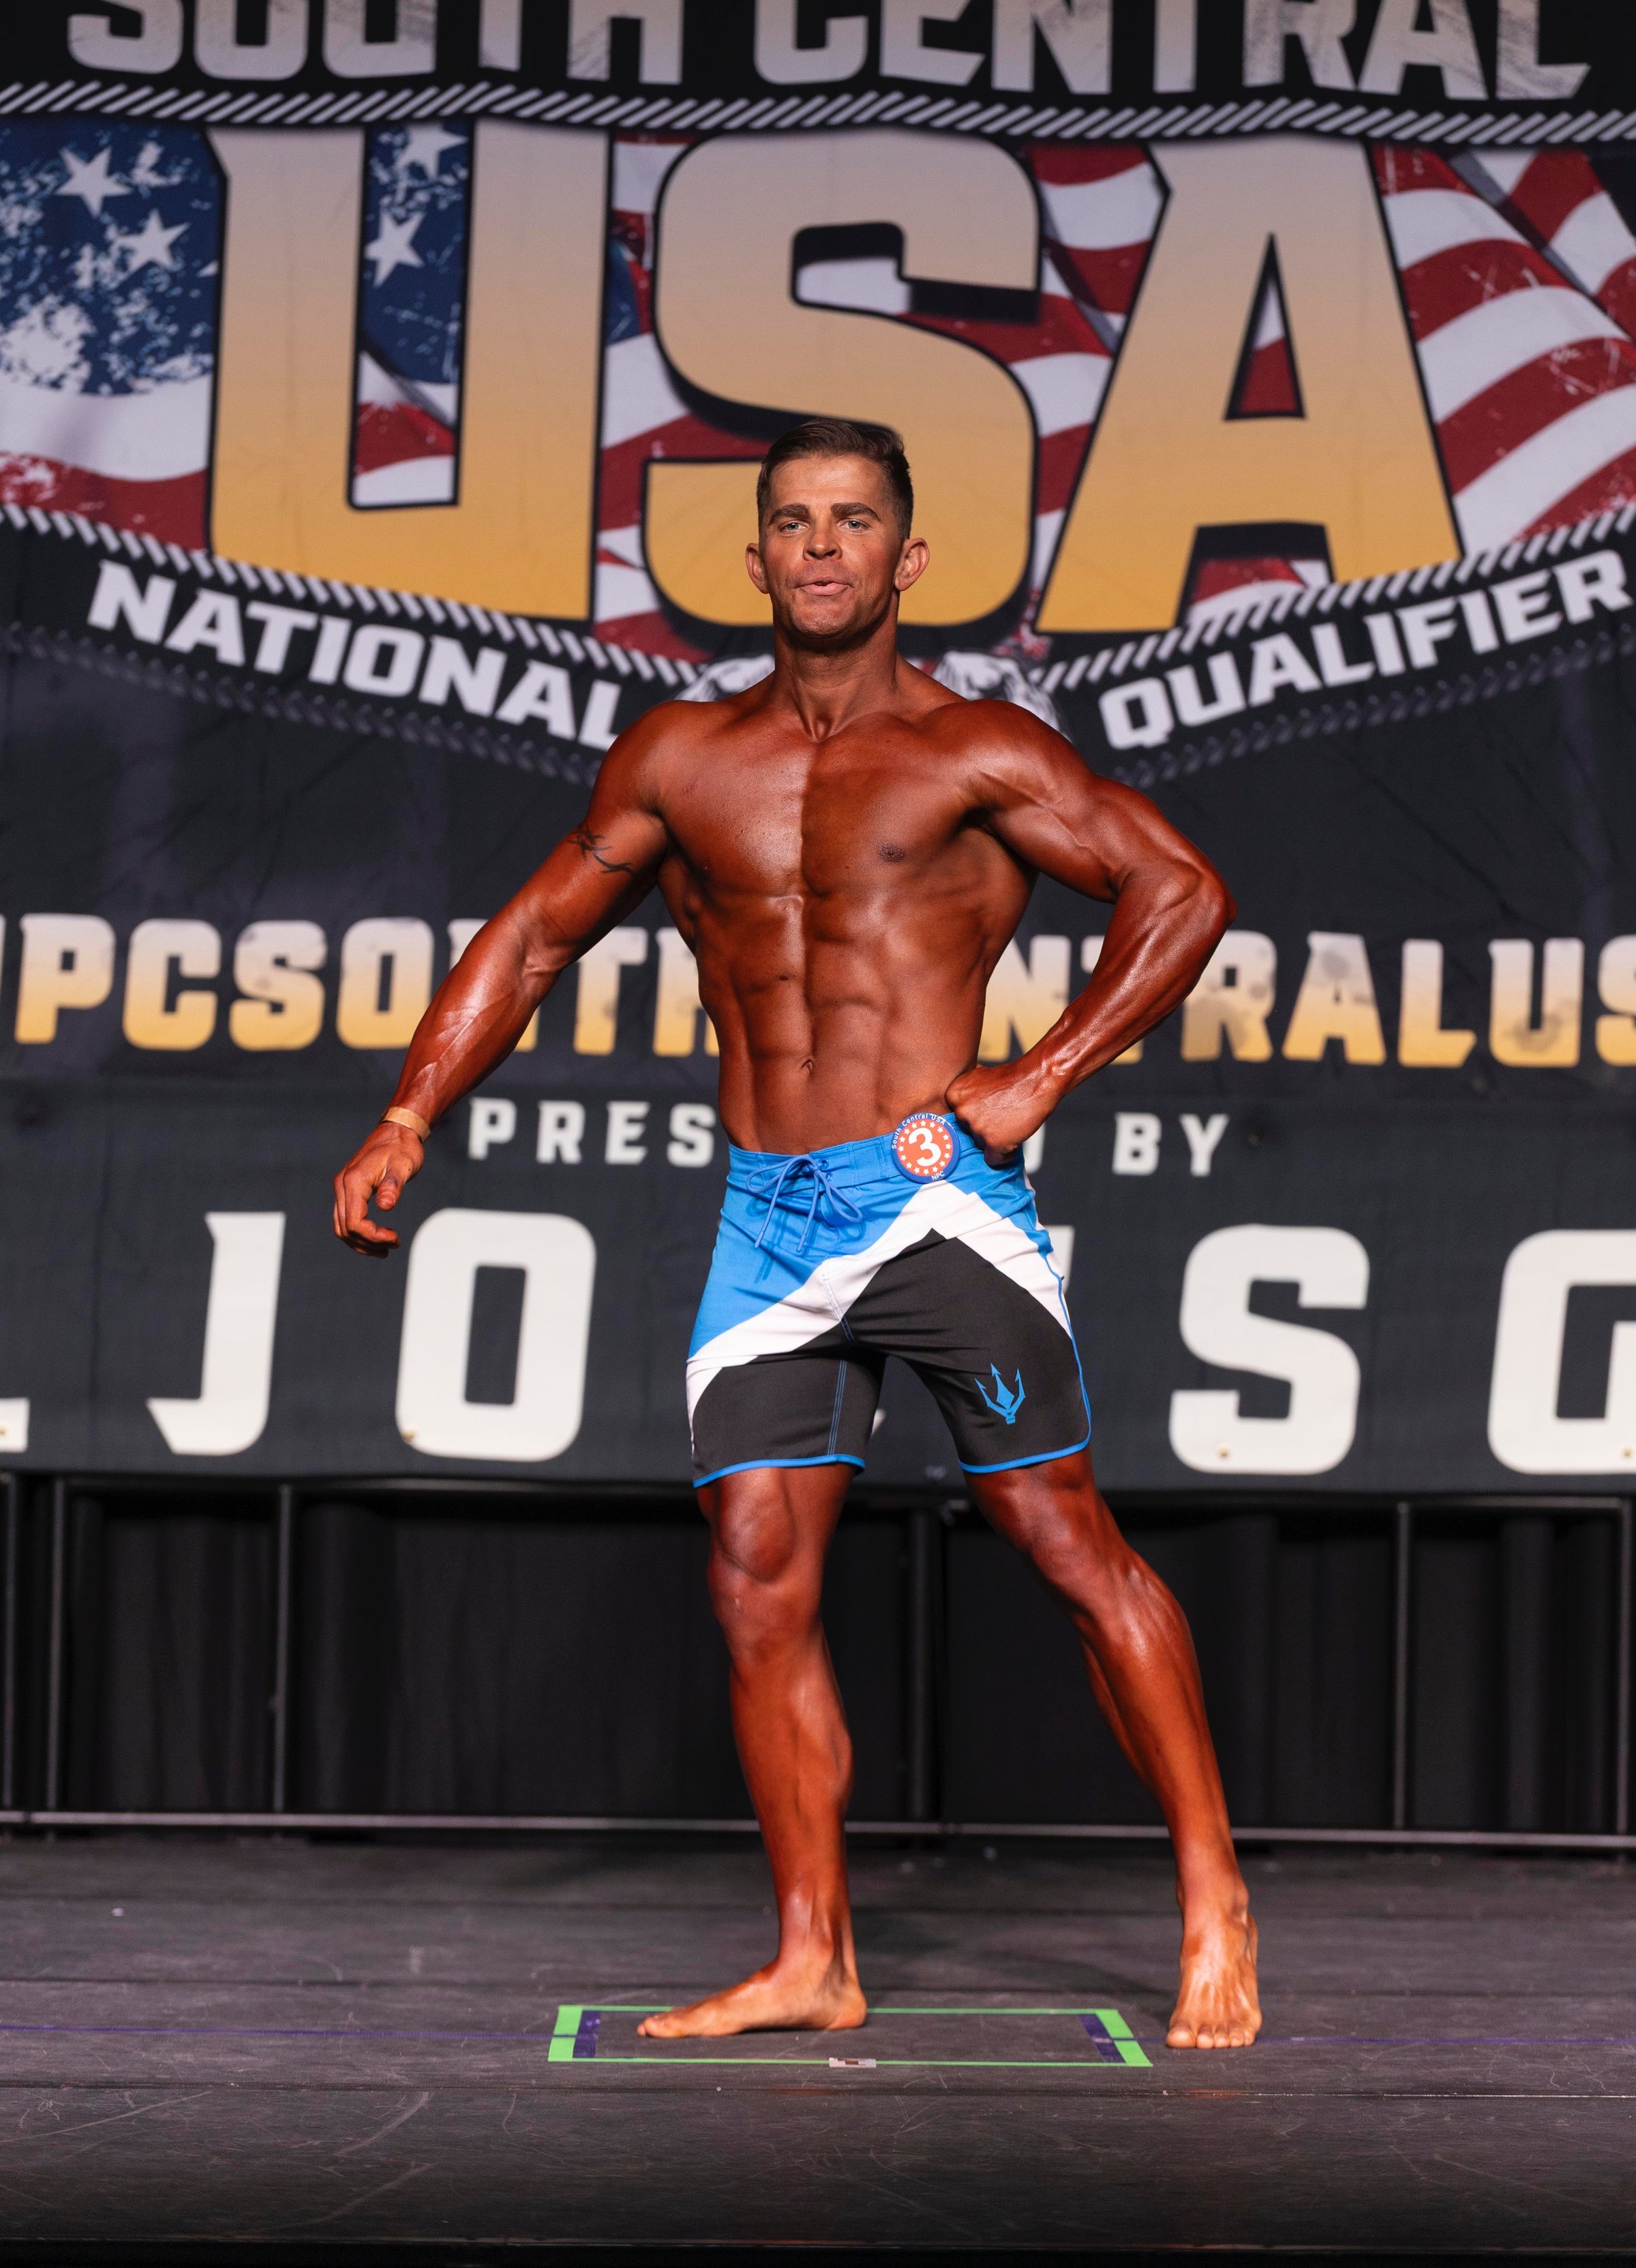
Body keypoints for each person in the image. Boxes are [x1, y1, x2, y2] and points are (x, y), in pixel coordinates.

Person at [333, 417, 1261, 2051]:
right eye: (790, 521)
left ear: (905, 560)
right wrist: (412, 1110)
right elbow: (537, 937)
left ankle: (1211, 1900)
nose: (819, 546)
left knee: (1062, 1542)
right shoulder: (678, 758)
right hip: (766, 1218)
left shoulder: (978, 752)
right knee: (757, 1573)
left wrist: (1039, 1075)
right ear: (751, 556)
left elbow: (1178, 888)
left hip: (933, 1206)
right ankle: (811, 1957)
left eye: (852, 522)